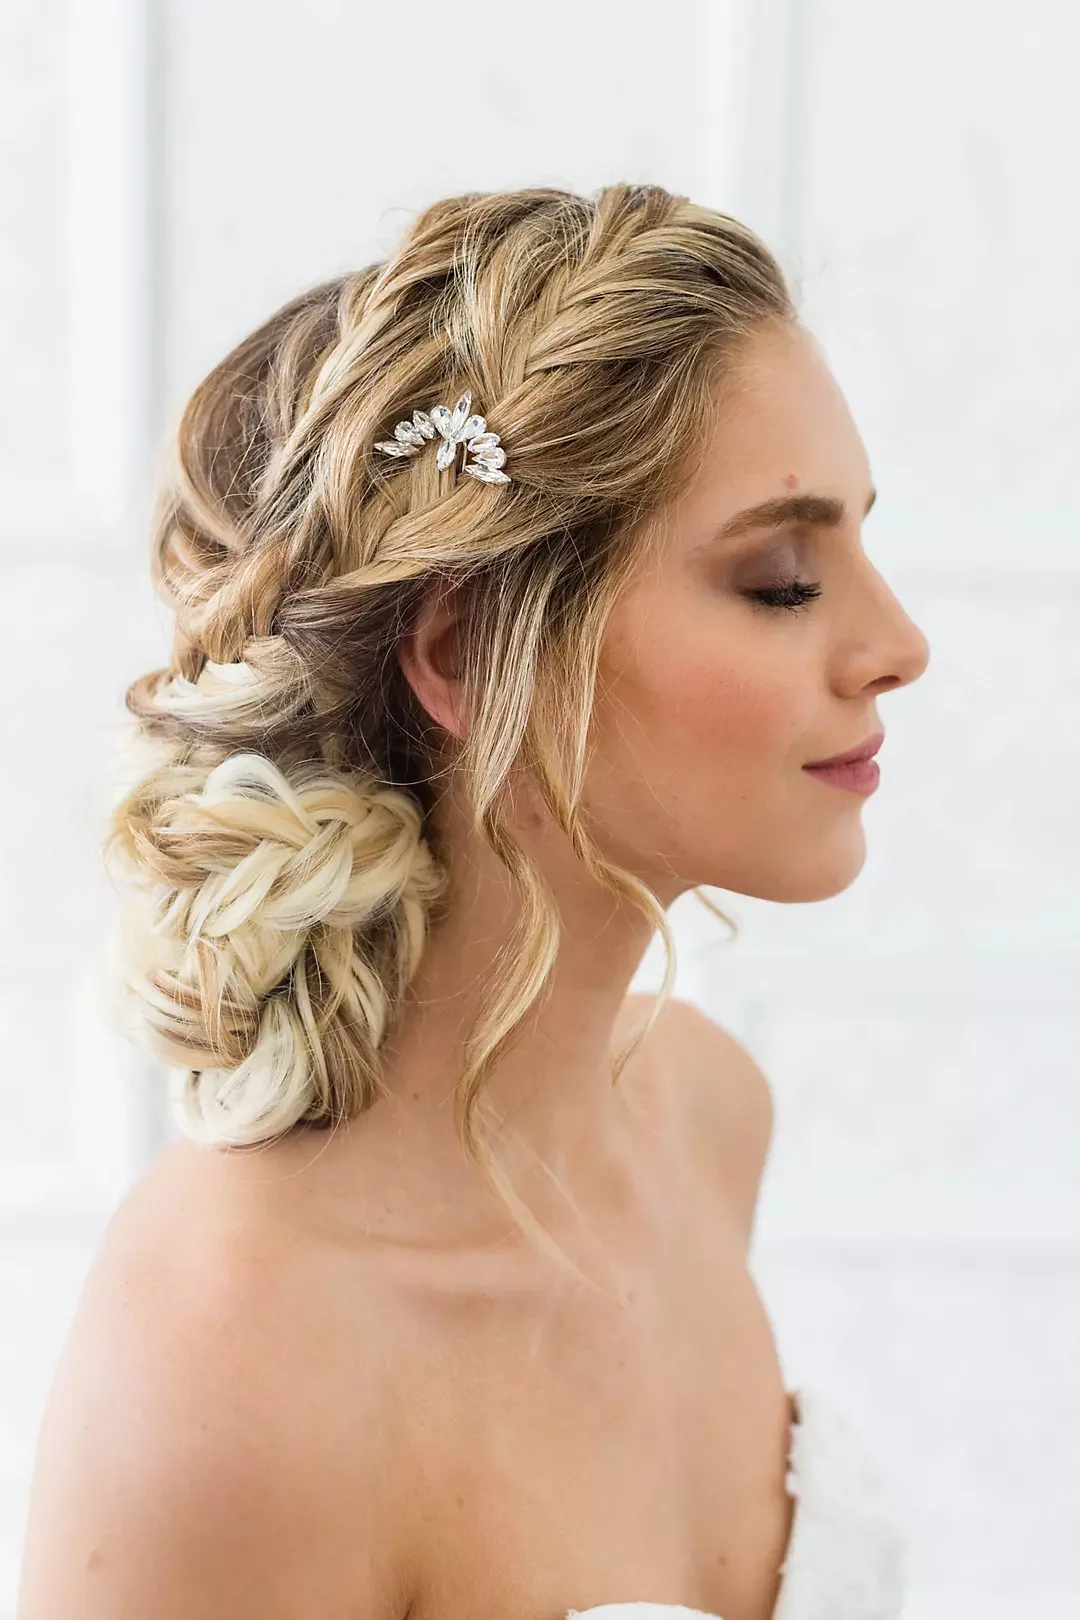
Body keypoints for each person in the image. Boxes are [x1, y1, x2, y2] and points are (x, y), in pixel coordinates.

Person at [16, 182, 930, 1620]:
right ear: (464, 651)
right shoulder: (230, 1354)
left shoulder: (706, 1119)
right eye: (782, 578)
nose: (899, 645)